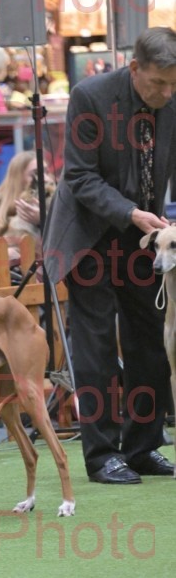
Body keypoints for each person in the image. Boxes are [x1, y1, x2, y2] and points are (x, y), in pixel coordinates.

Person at [43, 26, 176, 484]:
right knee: (96, 346)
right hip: (90, 236)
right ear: (134, 68)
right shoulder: (90, 96)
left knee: (150, 342)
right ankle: (102, 455)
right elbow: (79, 177)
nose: (167, 93)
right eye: (159, 83)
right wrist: (130, 212)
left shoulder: (171, 100)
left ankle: (142, 446)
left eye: (173, 84)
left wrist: (148, 221)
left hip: (143, 238)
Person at [0, 150, 55, 276]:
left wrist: (43, 220)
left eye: (46, 172)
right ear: (18, 178)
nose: (46, 178)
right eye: (36, 173)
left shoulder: (55, 201)